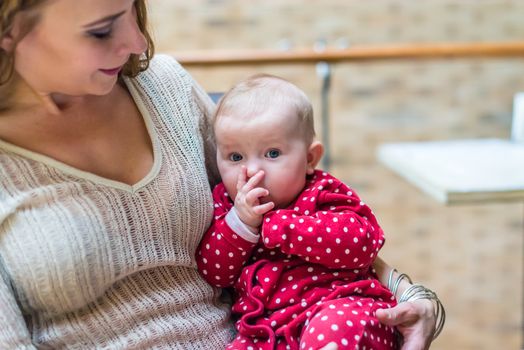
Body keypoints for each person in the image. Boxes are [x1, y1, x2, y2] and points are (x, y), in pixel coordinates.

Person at [0, 0, 442, 349]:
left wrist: (415, 299)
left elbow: (336, 236)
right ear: (7, 28)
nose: (137, 42)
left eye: (134, 10)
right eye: (101, 29)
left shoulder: (165, 88)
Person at [197, 74, 397, 349]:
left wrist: (282, 227)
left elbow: (362, 245)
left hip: (339, 306)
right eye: (235, 157)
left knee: (333, 329)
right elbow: (214, 272)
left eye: (272, 153)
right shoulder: (227, 205)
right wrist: (241, 224)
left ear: (309, 159)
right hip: (266, 330)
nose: (252, 170)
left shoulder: (322, 192)